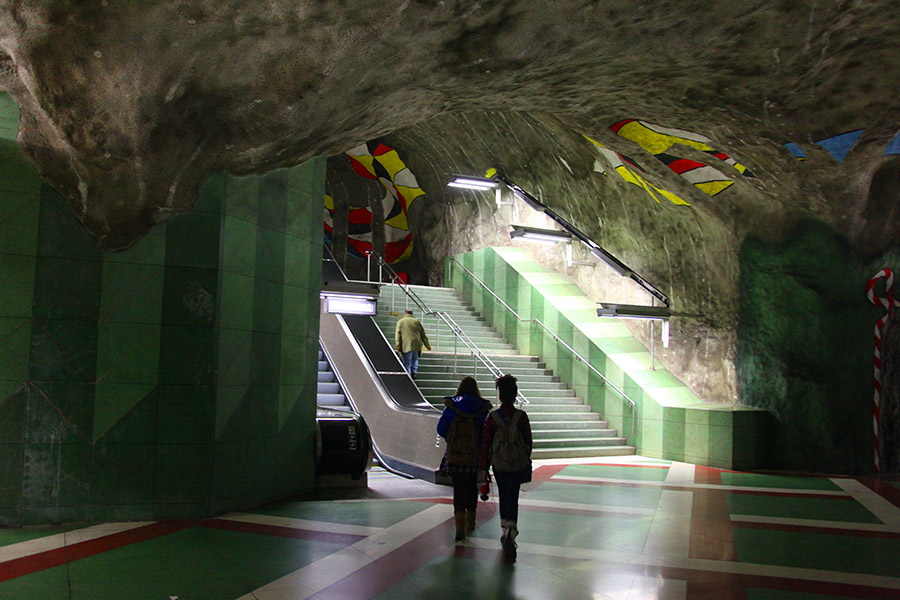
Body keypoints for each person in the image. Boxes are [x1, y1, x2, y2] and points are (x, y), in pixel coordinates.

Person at [480, 374, 532, 561]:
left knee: (503, 494)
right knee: (513, 495)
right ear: (515, 395)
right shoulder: (521, 416)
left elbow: (486, 444)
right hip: (517, 464)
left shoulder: (492, 418)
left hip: (500, 464)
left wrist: (484, 467)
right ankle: (512, 527)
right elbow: (528, 442)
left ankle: (505, 527)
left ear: (500, 396)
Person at [437, 376, 491, 541]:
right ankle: (471, 523)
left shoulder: (451, 406)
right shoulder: (482, 408)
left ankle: (459, 527)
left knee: (458, 489)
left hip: (455, 455)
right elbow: (486, 433)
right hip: (474, 455)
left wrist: (453, 441)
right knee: (472, 487)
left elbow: (441, 428)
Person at [395, 309, 430, 378]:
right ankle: (414, 372)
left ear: (405, 314)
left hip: (406, 345)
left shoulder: (401, 321)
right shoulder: (417, 321)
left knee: (407, 362)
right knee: (415, 359)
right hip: (417, 344)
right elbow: (423, 334)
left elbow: (398, 334)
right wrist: (427, 345)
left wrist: (398, 345)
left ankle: (408, 375)